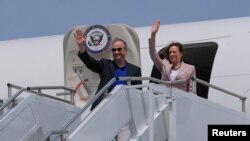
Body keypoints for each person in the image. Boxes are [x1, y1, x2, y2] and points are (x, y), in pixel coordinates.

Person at [74, 29, 142, 111]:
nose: (116, 52)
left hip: (127, 109)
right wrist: (82, 47)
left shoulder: (135, 70)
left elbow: (139, 93)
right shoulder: (105, 65)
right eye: (114, 50)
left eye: (119, 49)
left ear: (126, 51)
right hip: (106, 108)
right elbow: (90, 63)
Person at [148, 20, 196, 93]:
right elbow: (153, 54)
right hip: (164, 100)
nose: (172, 54)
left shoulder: (190, 69)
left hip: (180, 101)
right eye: (170, 52)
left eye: (174, 52)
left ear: (181, 54)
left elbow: (191, 90)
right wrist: (153, 35)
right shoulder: (164, 64)